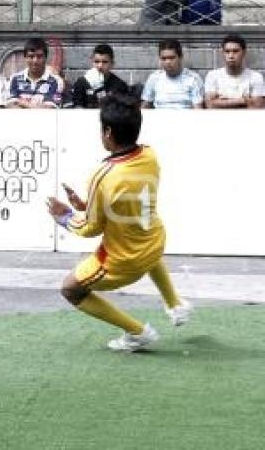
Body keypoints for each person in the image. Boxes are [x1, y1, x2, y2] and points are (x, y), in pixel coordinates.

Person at [46, 94, 192, 352]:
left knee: (70, 289)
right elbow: (126, 203)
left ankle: (137, 332)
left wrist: (65, 217)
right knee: (141, 233)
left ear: (108, 132)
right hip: (155, 243)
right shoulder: (150, 154)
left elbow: (90, 228)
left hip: (123, 262)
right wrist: (87, 204)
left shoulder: (104, 174)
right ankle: (175, 303)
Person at [204, 34, 265, 109]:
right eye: (227, 51)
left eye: (235, 51)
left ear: (244, 52)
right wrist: (243, 100)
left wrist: (222, 101)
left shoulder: (255, 77)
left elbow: (257, 107)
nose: (231, 56)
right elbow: (210, 105)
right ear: (223, 53)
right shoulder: (213, 76)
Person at [141, 39, 204, 109]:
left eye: (171, 58)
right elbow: (145, 106)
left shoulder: (193, 79)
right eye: (164, 58)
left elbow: (198, 109)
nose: (168, 62)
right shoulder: (154, 78)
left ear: (180, 57)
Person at [6, 38, 62, 109]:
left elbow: (48, 110)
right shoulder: (15, 79)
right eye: (31, 56)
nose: (35, 61)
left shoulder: (55, 81)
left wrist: (24, 103)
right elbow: (11, 107)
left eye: (39, 56)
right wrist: (37, 107)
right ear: (25, 58)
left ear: (45, 58)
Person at [70, 44, 130, 108]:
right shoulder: (82, 83)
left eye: (104, 62)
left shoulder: (120, 85)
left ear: (112, 63)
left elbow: (123, 110)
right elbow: (77, 108)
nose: (100, 66)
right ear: (92, 62)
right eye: (97, 61)